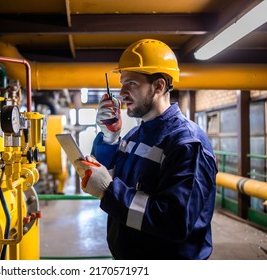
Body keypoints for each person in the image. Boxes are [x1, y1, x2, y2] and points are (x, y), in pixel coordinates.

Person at [74, 39, 218, 260]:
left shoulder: (187, 143)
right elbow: (108, 175)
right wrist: (110, 137)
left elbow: (175, 223)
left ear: (159, 86)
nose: (121, 93)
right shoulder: (134, 135)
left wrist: (109, 191)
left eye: (131, 83)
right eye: (122, 83)